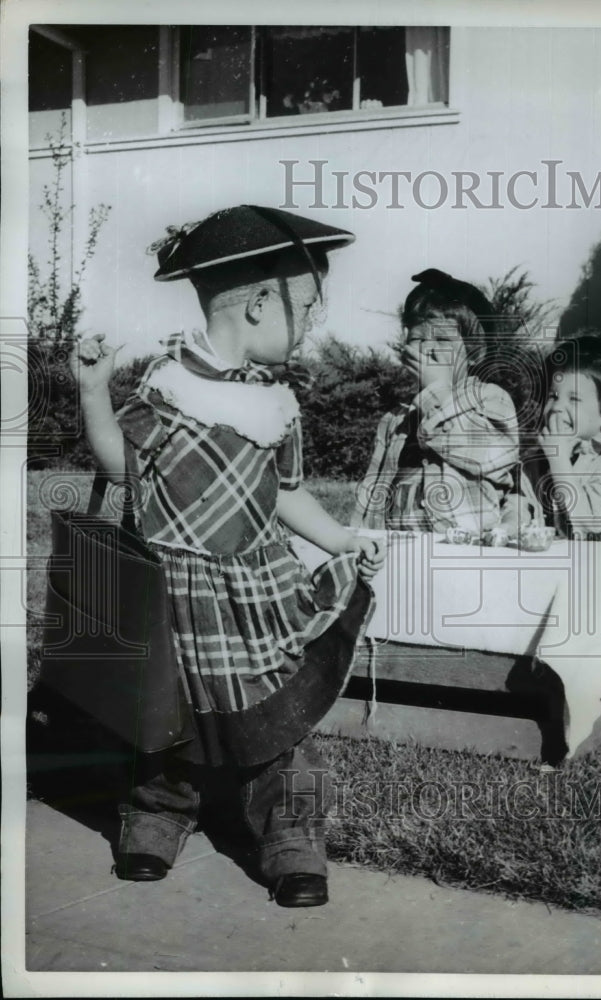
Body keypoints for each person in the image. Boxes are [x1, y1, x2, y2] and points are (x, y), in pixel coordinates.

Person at [70, 204, 385, 908]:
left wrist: (337, 539)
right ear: (258, 306)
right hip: (174, 589)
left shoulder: (277, 403)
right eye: (305, 307)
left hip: (255, 590)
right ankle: (157, 812)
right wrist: (94, 392)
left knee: (278, 712)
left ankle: (292, 833)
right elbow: (123, 467)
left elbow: (286, 493)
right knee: (164, 711)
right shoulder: (168, 385)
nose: (310, 324)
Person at [351, 268, 538, 535]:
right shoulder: (396, 418)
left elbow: (492, 458)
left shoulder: (490, 399)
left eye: (442, 339)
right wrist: (360, 539)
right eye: (417, 339)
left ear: (475, 352)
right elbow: (373, 489)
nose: (428, 348)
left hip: (469, 548)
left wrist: (437, 391)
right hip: (404, 547)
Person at [535, 334, 601, 542]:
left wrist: (559, 462)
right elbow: (521, 500)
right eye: (553, 396)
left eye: (574, 399)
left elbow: (592, 526)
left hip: (599, 570)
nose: (557, 407)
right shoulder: (538, 458)